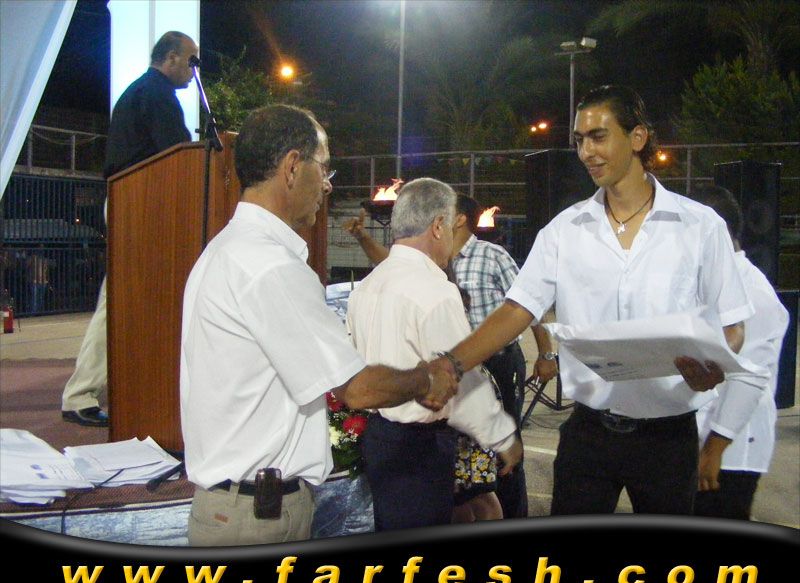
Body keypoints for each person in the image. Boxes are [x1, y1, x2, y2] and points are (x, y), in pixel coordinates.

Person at [436, 84, 765, 516]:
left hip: (669, 440)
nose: (586, 151)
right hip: (588, 434)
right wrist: (450, 364)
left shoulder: (700, 227)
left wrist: (713, 366)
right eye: (579, 140)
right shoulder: (564, 230)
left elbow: (733, 325)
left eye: (598, 136)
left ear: (637, 137)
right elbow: (518, 308)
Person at [180, 105, 457, 546]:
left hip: (238, 506)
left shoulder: (228, 249)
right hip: (258, 518)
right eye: (324, 168)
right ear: (293, 167)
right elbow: (358, 389)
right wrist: (428, 377)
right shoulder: (270, 266)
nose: (328, 185)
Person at [346, 195, 558, 519]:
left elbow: (528, 307)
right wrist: (499, 434)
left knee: (474, 489)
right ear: (438, 226)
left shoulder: (368, 285)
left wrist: (545, 352)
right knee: (458, 498)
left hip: (392, 428)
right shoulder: (431, 280)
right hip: (431, 422)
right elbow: (456, 374)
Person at [61, 31, 197, 426]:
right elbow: (175, 154)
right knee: (117, 302)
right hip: (138, 205)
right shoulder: (156, 95)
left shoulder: (144, 92)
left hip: (133, 203)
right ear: (171, 58)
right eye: (191, 60)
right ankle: (81, 394)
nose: (194, 70)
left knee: (125, 300)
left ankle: (117, 389)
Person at [692, 185, 789, 520]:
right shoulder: (710, 280)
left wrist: (714, 449)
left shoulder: (752, 292)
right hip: (700, 443)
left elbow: (750, 376)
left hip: (728, 454)